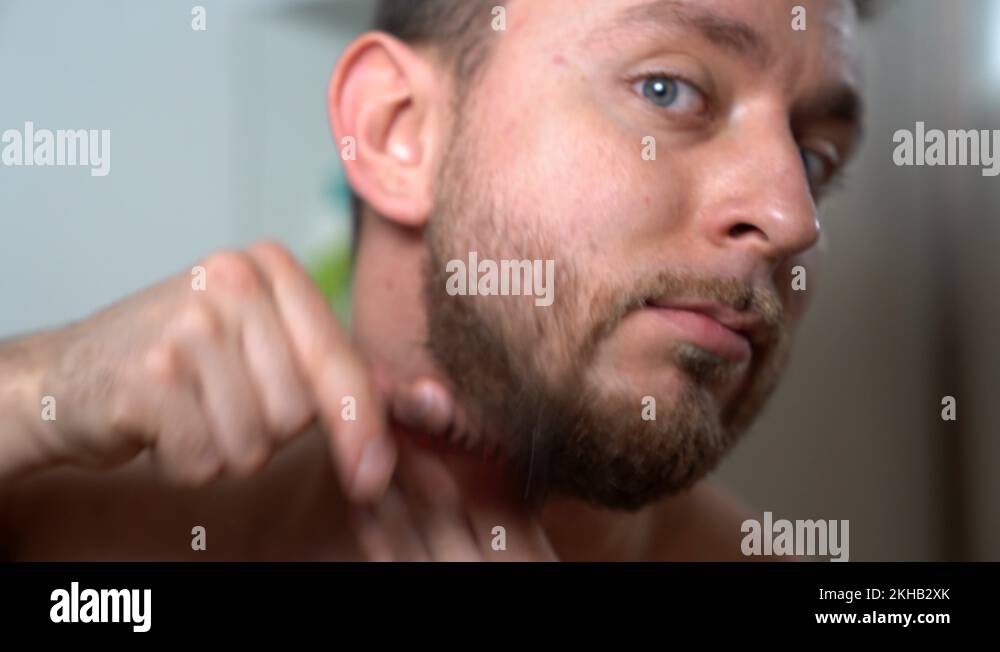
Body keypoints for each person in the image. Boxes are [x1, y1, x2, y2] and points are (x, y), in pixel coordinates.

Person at [0, 0, 867, 561]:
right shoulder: (67, 528)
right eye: (669, 90)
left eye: (817, 154)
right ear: (395, 130)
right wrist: (28, 391)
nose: (794, 217)